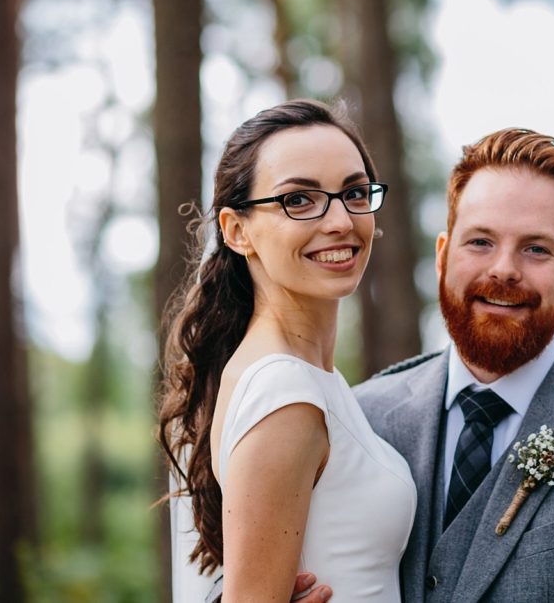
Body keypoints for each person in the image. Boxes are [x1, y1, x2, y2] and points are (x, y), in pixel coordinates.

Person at [302, 128, 554, 601]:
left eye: (536, 248)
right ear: (442, 256)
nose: (504, 269)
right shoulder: (360, 417)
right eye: (480, 242)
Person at [158, 99, 416, 602]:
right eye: (298, 200)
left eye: (354, 193)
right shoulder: (284, 390)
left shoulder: (308, 377)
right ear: (237, 231)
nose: (340, 221)